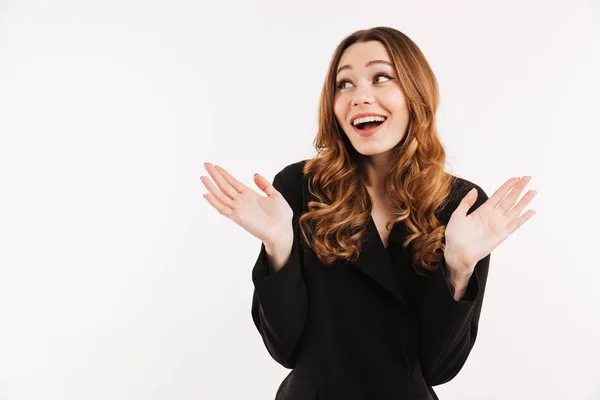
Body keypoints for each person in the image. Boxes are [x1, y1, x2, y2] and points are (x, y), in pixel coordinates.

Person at [200, 26, 536, 400]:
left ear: (414, 92)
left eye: (380, 78)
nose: (360, 97)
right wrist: (279, 245)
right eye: (345, 84)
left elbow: (439, 368)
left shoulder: (458, 203)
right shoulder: (299, 186)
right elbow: (285, 350)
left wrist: (458, 266)